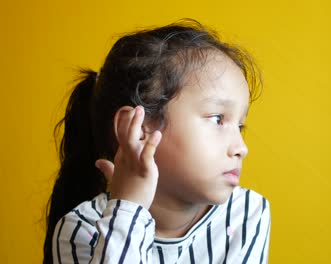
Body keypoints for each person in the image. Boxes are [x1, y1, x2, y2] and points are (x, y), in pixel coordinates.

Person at [43, 19, 271, 264]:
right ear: (140, 129)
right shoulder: (81, 231)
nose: (241, 148)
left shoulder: (246, 212)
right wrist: (127, 210)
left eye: (240, 126)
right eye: (217, 119)